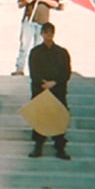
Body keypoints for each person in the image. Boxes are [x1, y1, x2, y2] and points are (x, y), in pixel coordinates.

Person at [28, 22, 72, 160]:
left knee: (58, 118)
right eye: (46, 32)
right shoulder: (35, 52)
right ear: (41, 34)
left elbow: (66, 71)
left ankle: (60, 147)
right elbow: (33, 71)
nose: (48, 35)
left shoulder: (61, 52)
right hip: (40, 89)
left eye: (50, 32)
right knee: (40, 119)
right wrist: (43, 83)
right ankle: (38, 145)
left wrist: (54, 82)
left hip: (57, 89)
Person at [11, 0, 63, 76]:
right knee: (24, 46)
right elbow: (19, 4)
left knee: (39, 47)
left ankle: (39, 69)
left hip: (42, 22)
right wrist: (27, 2)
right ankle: (19, 68)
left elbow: (55, 4)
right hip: (29, 21)